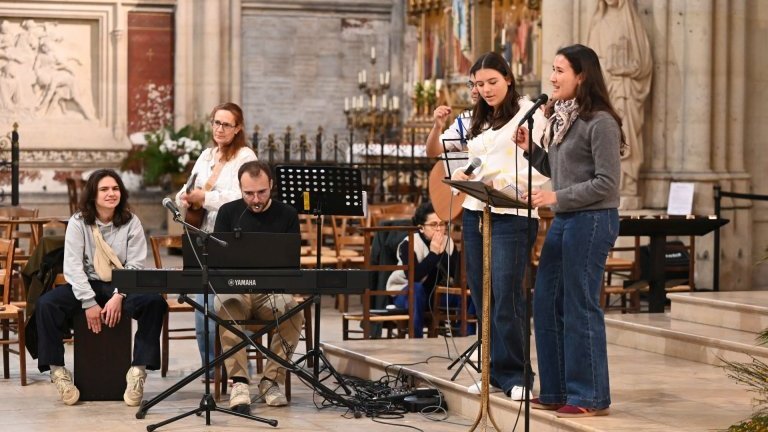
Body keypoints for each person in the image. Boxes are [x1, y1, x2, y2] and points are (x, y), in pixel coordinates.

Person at [514, 44, 623, 418]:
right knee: (545, 302)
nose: (553, 77)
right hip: (566, 218)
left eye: (560, 70)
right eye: (553, 69)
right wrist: (532, 152)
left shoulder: (602, 122)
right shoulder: (564, 119)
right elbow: (563, 171)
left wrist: (554, 195)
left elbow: (606, 184)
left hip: (593, 220)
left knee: (579, 304)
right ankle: (557, 389)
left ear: (582, 76)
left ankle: (590, 395)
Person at [452, 51, 548, 401]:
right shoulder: (481, 118)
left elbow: (541, 167)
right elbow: (480, 160)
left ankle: (517, 374)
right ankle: (492, 371)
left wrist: (502, 183)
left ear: (508, 77)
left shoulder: (529, 112)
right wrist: (467, 174)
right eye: (479, 84)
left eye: (492, 81)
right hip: (476, 210)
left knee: (506, 295)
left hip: (513, 214)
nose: (486, 89)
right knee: (482, 295)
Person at [36, 169, 167, 406]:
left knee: (154, 302)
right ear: (93, 195)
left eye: (115, 189)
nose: (111, 194)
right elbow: (73, 267)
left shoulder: (131, 222)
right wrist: (88, 302)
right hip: (87, 284)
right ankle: (58, 372)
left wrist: (119, 295)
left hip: (121, 285)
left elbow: (135, 264)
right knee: (46, 304)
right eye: (104, 189)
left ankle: (138, 371)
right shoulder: (79, 222)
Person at [213, 160, 304, 413]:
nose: (256, 199)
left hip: (271, 292)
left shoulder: (286, 214)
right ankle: (239, 382)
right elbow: (219, 264)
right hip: (237, 289)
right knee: (225, 304)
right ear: (240, 189)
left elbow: (291, 264)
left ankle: (271, 380)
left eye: (262, 192)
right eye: (249, 193)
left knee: (294, 310)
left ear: (271, 186)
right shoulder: (228, 213)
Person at [175, 102, 257, 380]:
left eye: (226, 124)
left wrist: (205, 198)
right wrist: (183, 198)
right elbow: (188, 187)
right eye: (216, 123)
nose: (219, 129)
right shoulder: (206, 155)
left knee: (227, 305)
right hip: (203, 240)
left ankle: (237, 366)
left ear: (238, 128)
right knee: (202, 310)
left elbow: (242, 197)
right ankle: (210, 369)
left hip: (232, 241)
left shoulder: (245, 157)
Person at [587, 0, 652, 206]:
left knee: (627, 134)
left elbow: (643, 63)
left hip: (625, 90)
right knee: (604, 138)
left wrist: (623, 69)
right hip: (605, 91)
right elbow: (590, 64)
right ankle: (608, 185)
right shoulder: (598, 22)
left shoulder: (631, 23)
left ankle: (628, 186)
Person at [385, 201, 460, 338]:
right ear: (421, 228)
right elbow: (414, 277)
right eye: (433, 225)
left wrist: (441, 253)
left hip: (437, 295)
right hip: (405, 293)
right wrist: (433, 254)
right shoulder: (409, 243)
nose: (439, 229)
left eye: (442, 224)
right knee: (417, 288)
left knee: (467, 295)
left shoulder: (448, 243)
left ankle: (465, 338)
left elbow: (456, 274)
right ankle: (416, 338)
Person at [425, 77, 480, 158]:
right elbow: (432, 152)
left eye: (480, 85)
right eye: (471, 85)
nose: (473, 91)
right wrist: (437, 127)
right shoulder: (464, 122)